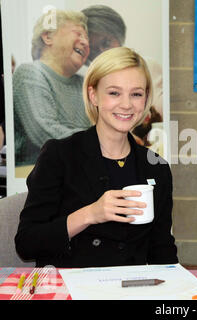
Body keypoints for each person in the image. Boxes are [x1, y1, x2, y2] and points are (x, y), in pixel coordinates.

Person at [15, 47, 178, 268]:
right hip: (71, 288)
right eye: (114, 93)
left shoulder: (156, 167)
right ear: (94, 95)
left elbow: (162, 251)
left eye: (136, 94)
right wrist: (91, 214)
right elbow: (27, 243)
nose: (126, 104)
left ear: (146, 98)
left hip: (131, 289)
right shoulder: (60, 155)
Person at [13, 9, 91, 166]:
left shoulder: (84, 84)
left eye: (86, 38)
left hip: (78, 173)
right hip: (35, 177)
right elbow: (46, 132)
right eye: (78, 34)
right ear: (48, 37)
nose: (85, 43)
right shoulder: (30, 73)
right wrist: (103, 140)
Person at [81, 5, 164, 148]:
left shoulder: (146, 67)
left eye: (106, 43)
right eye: (94, 50)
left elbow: (166, 117)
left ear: (119, 37)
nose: (102, 52)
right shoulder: (87, 81)